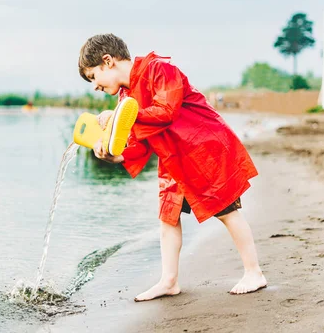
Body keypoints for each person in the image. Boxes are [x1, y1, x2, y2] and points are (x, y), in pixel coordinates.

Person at [77, 33, 266, 302]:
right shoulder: (126, 97)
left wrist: (122, 117)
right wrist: (115, 156)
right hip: (173, 159)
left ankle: (254, 272)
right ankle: (169, 280)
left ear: (107, 61)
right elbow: (137, 143)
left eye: (93, 76)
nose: (94, 86)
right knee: (168, 219)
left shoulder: (160, 69)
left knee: (227, 211)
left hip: (203, 150)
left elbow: (165, 111)